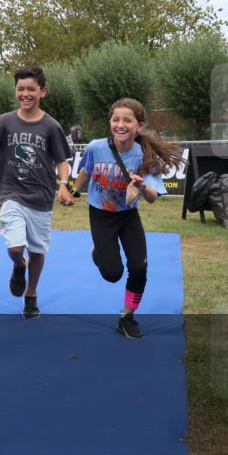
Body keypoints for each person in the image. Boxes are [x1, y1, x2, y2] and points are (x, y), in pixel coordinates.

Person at [0, 66, 74, 320]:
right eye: (20, 89)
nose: (25, 94)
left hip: (41, 197)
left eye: (31, 89)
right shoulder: (5, 121)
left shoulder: (51, 126)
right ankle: (18, 265)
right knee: (16, 247)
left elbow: (61, 160)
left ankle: (31, 294)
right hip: (11, 193)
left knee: (37, 251)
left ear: (42, 91)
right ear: (15, 91)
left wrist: (63, 184)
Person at [71, 98, 183, 339]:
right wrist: (73, 190)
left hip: (128, 216)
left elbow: (153, 197)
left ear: (139, 126)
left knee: (139, 267)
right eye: (116, 119)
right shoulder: (95, 147)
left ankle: (126, 317)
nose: (120, 125)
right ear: (110, 122)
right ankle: (99, 252)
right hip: (100, 215)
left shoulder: (145, 155)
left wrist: (142, 187)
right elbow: (86, 171)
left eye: (127, 120)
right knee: (112, 274)